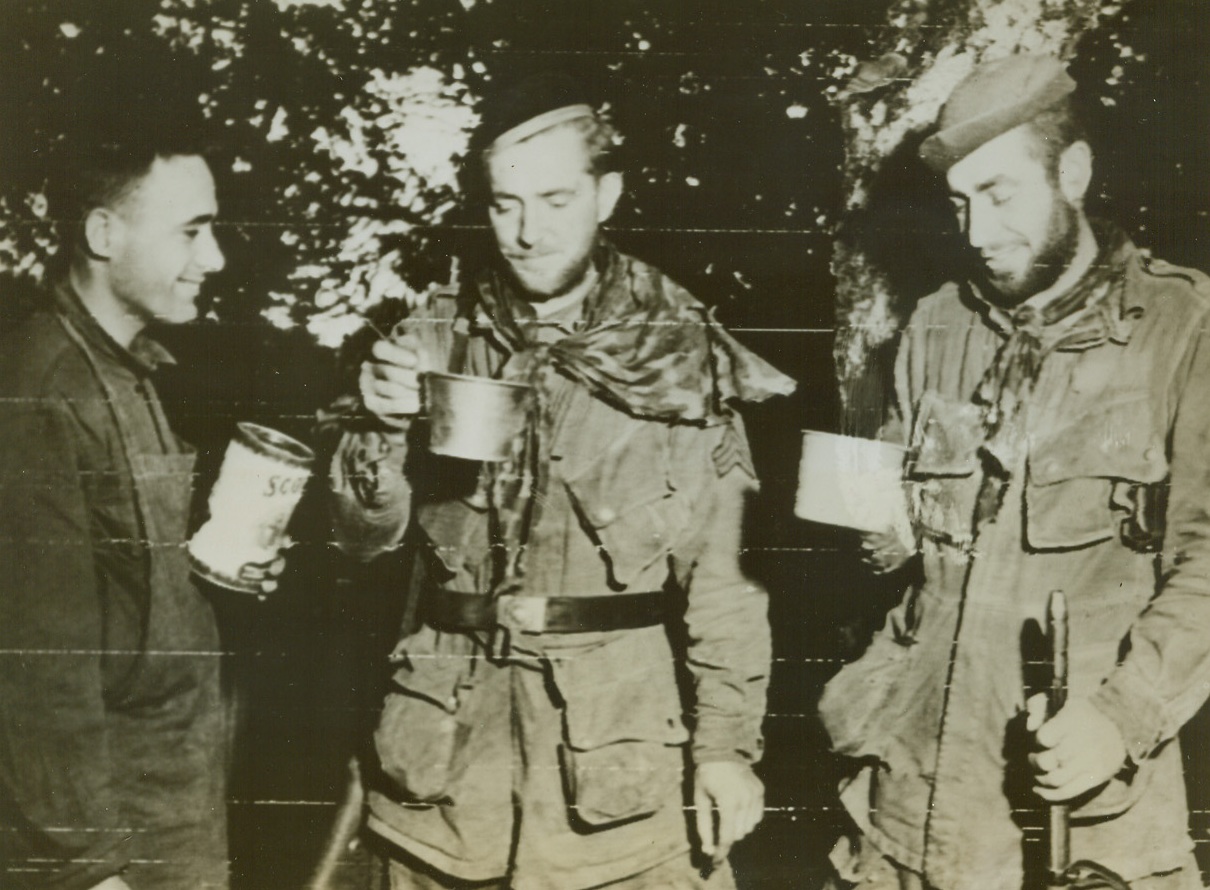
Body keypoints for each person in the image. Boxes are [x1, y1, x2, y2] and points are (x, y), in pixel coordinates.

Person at [327, 73, 795, 889]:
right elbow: (358, 542)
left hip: (615, 784)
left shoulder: (679, 355)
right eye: (505, 204)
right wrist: (382, 423)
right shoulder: (435, 333)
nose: (527, 232)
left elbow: (724, 586)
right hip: (444, 774)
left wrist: (726, 749)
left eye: (554, 200)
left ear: (606, 195)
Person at [818, 53, 1210, 890]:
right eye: (960, 202)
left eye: (999, 194)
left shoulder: (1181, 329)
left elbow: (1206, 564)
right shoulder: (935, 324)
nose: (976, 233)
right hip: (909, 799)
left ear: (1074, 172)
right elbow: (887, 541)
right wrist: (867, 518)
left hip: (1078, 805)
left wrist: (1121, 717)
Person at [0, 117, 271, 888]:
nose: (214, 258)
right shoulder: (41, 392)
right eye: (191, 232)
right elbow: (35, 677)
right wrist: (88, 871)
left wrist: (219, 563)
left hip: (172, 811)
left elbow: (127, 594)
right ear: (102, 234)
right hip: (109, 840)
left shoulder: (129, 371)